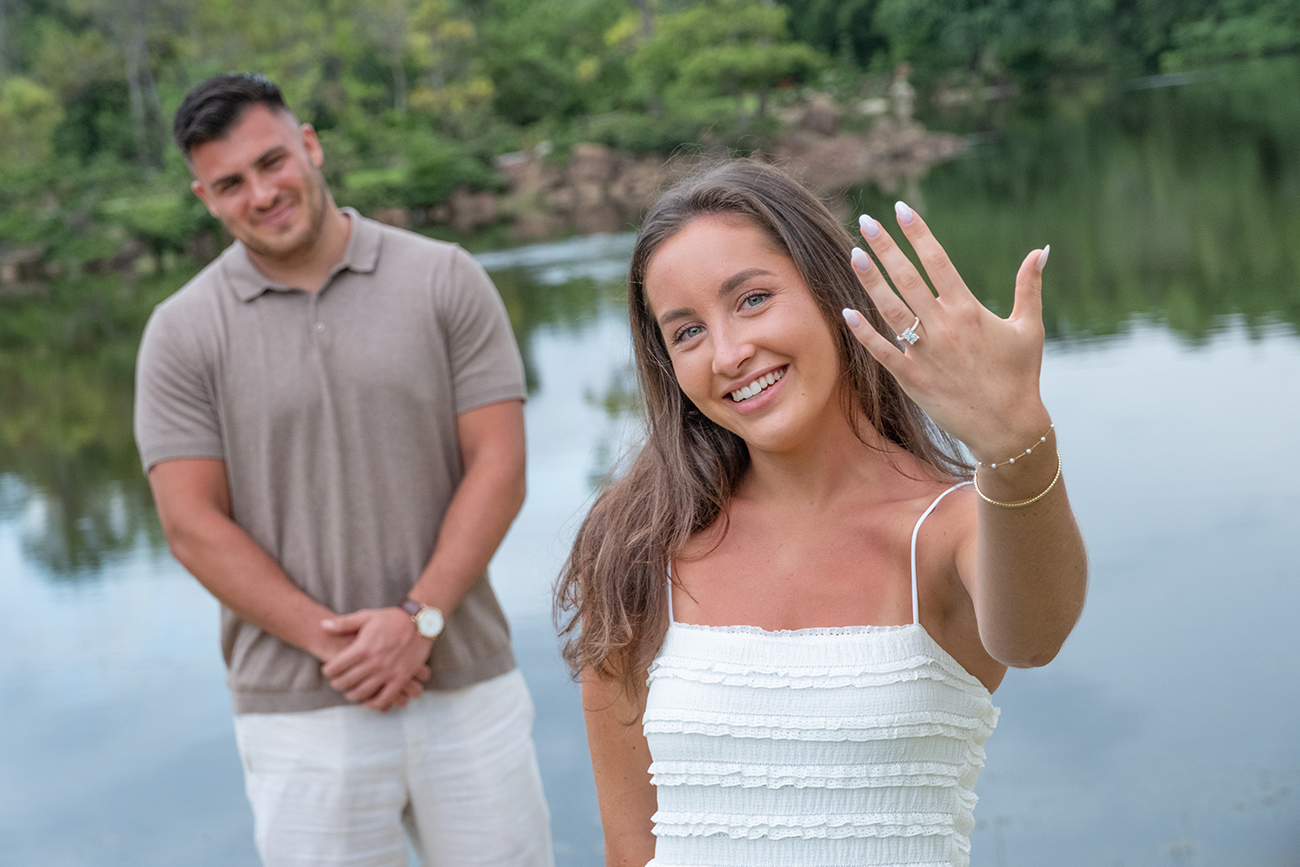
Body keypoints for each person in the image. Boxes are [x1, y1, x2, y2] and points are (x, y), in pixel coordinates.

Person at [556, 160, 1087, 867]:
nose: (729, 352)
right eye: (686, 333)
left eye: (751, 299)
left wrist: (1017, 444)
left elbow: (1034, 636)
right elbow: (629, 850)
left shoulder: (948, 528)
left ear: (832, 289)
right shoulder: (635, 545)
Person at [134, 73, 553, 867]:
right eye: (230, 183)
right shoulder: (180, 334)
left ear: (311, 146)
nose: (261, 193)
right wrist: (341, 646)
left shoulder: (445, 278)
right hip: (297, 717)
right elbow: (191, 525)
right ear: (205, 197)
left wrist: (417, 620)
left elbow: (500, 466)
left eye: (272, 162)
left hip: (464, 678)